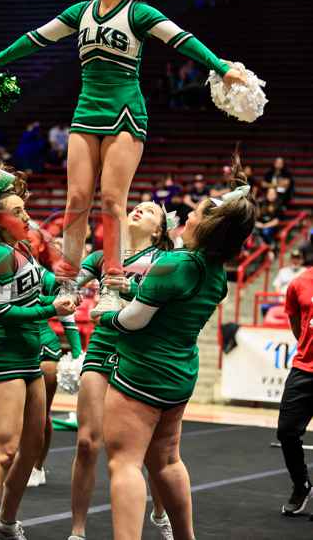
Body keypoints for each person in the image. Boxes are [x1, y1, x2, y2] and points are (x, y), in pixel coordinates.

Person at [0, 0, 247, 314]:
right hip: (87, 111)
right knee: (76, 199)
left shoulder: (139, 13)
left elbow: (181, 39)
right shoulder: (80, 12)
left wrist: (220, 66)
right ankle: (68, 280)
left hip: (125, 113)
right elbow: (35, 38)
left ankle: (113, 285)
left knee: (113, 200)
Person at [98, 155, 256, 540]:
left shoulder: (174, 263)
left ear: (206, 226)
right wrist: (134, 287)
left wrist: (105, 317)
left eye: (195, 212)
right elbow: (173, 302)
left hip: (142, 372)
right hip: (179, 375)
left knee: (125, 463)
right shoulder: (216, 273)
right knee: (167, 461)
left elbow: (135, 320)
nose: (187, 216)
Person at [0, 111, 76, 540]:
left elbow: (45, 288)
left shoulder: (24, 251)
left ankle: (6, 523)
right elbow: (5, 312)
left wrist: (68, 288)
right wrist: (52, 309)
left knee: (30, 449)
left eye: (25, 210)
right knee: (5, 450)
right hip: (4, 357)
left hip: (30, 356)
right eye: (18, 212)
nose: (27, 217)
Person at [69, 200, 175, 540]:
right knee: (86, 442)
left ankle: (160, 512)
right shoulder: (104, 256)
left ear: (159, 231)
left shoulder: (165, 261)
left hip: (140, 353)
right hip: (102, 347)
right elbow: (68, 282)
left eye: (151, 210)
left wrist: (132, 288)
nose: (139, 209)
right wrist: (67, 292)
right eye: (137, 206)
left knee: (153, 451)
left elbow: (171, 304)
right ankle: (77, 530)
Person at [26, 266, 83, 487]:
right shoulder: (4, 266)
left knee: (41, 414)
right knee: (14, 415)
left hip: (43, 348)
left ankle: (37, 467)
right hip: (14, 347)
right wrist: (52, 301)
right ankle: (16, 461)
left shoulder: (42, 274)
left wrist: (77, 357)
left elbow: (67, 318)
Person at [277, 237, 313, 517]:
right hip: (304, 368)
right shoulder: (299, 283)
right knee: (287, 432)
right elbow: (296, 324)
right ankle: (301, 485)